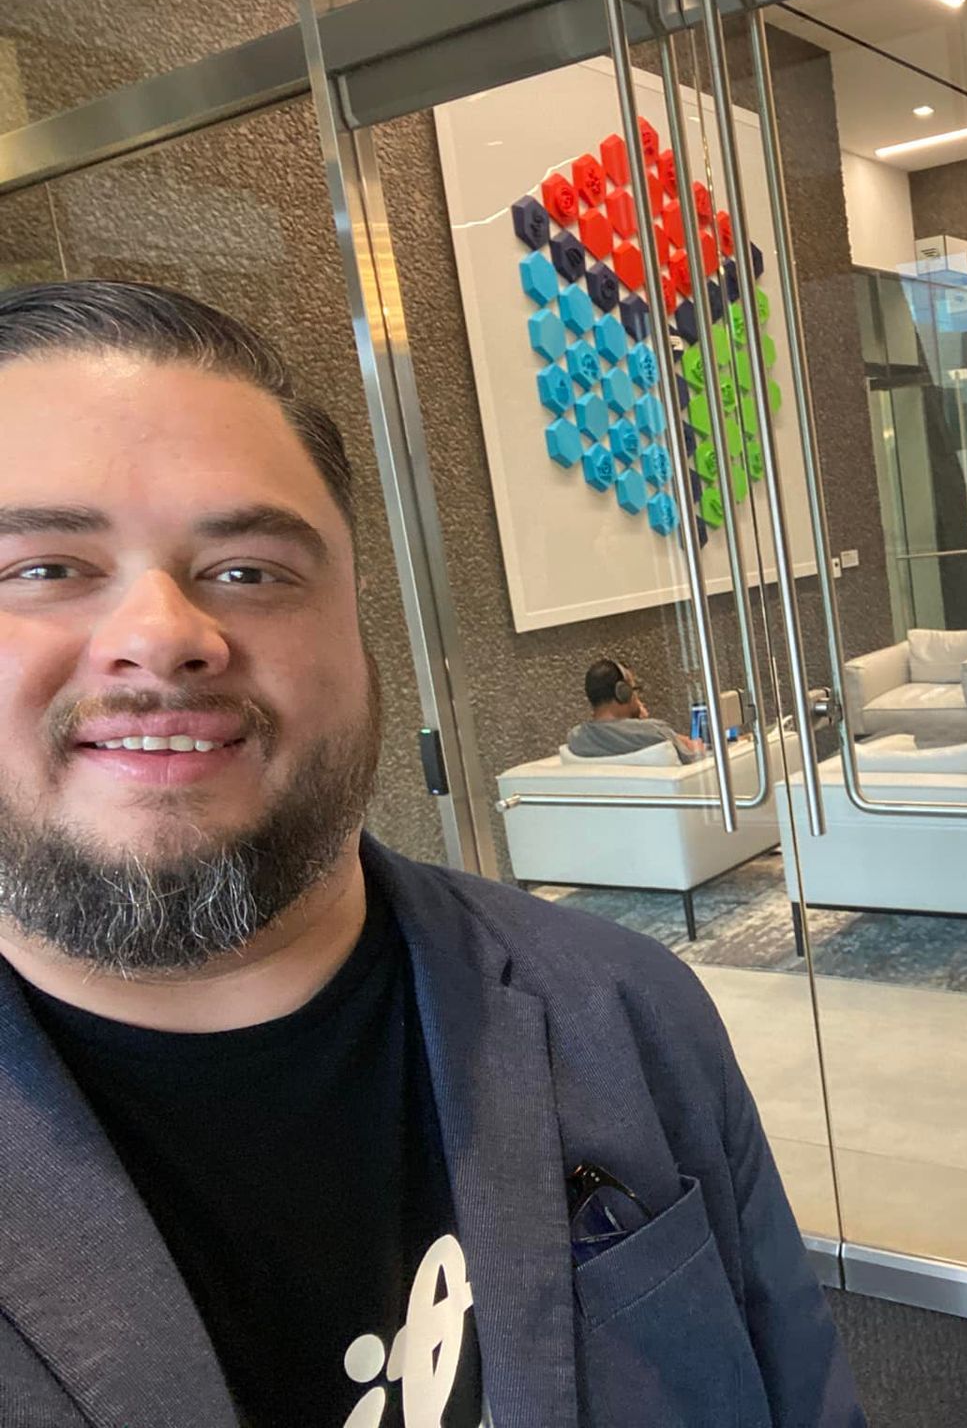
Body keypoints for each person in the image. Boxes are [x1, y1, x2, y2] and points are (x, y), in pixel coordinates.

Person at [0, 281, 862, 1428]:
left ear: (363, 640)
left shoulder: (623, 1010)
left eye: (250, 571)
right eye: (44, 569)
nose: (163, 634)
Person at [567, 658, 708, 763]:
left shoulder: (577, 739)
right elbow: (696, 760)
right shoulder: (654, 732)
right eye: (634, 690)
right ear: (623, 693)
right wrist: (696, 746)